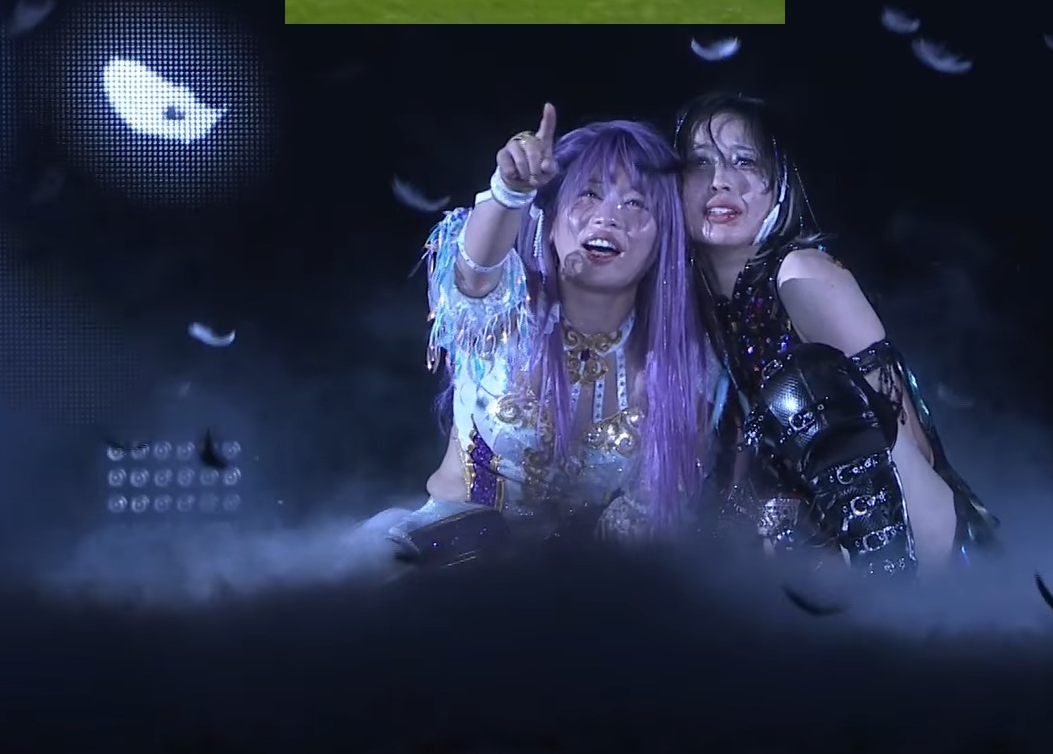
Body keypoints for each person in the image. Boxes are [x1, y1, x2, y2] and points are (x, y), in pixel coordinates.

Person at [678, 93, 998, 577]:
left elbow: (912, 445)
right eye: (701, 162)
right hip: (817, 550)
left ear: (781, 181)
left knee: (803, 389)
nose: (720, 180)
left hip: (924, 553)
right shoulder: (692, 298)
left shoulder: (801, 275)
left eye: (744, 161)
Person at [384, 104, 714, 567]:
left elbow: (653, 523)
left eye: (636, 203)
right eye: (589, 194)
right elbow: (474, 275)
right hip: (432, 568)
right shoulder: (506, 309)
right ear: (552, 216)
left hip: (568, 591)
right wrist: (510, 191)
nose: (607, 217)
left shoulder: (679, 367)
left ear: (663, 238)